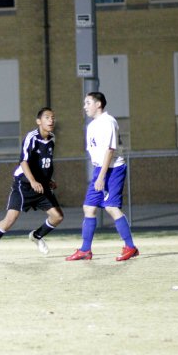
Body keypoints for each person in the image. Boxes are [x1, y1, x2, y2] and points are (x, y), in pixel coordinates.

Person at [0, 107, 63, 261]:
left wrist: (48, 180)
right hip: (24, 185)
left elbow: (45, 163)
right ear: (39, 121)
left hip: (41, 186)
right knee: (10, 219)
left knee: (57, 217)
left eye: (53, 117)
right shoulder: (31, 138)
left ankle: (36, 236)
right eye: (47, 117)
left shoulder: (52, 139)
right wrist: (32, 181)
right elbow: (23, 161)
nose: (51, 120)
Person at [66, 91, 139, 261]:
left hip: (113, 169)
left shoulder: (108, 122)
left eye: (88, 103)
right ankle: (85, 250)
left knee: (111, 207)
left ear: (98, 104)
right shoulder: (92, 125)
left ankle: (131, 247)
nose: (85, 106)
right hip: (101, 170)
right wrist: (98, 173)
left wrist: (101, 176)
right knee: (89, 208)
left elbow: (110, 150)